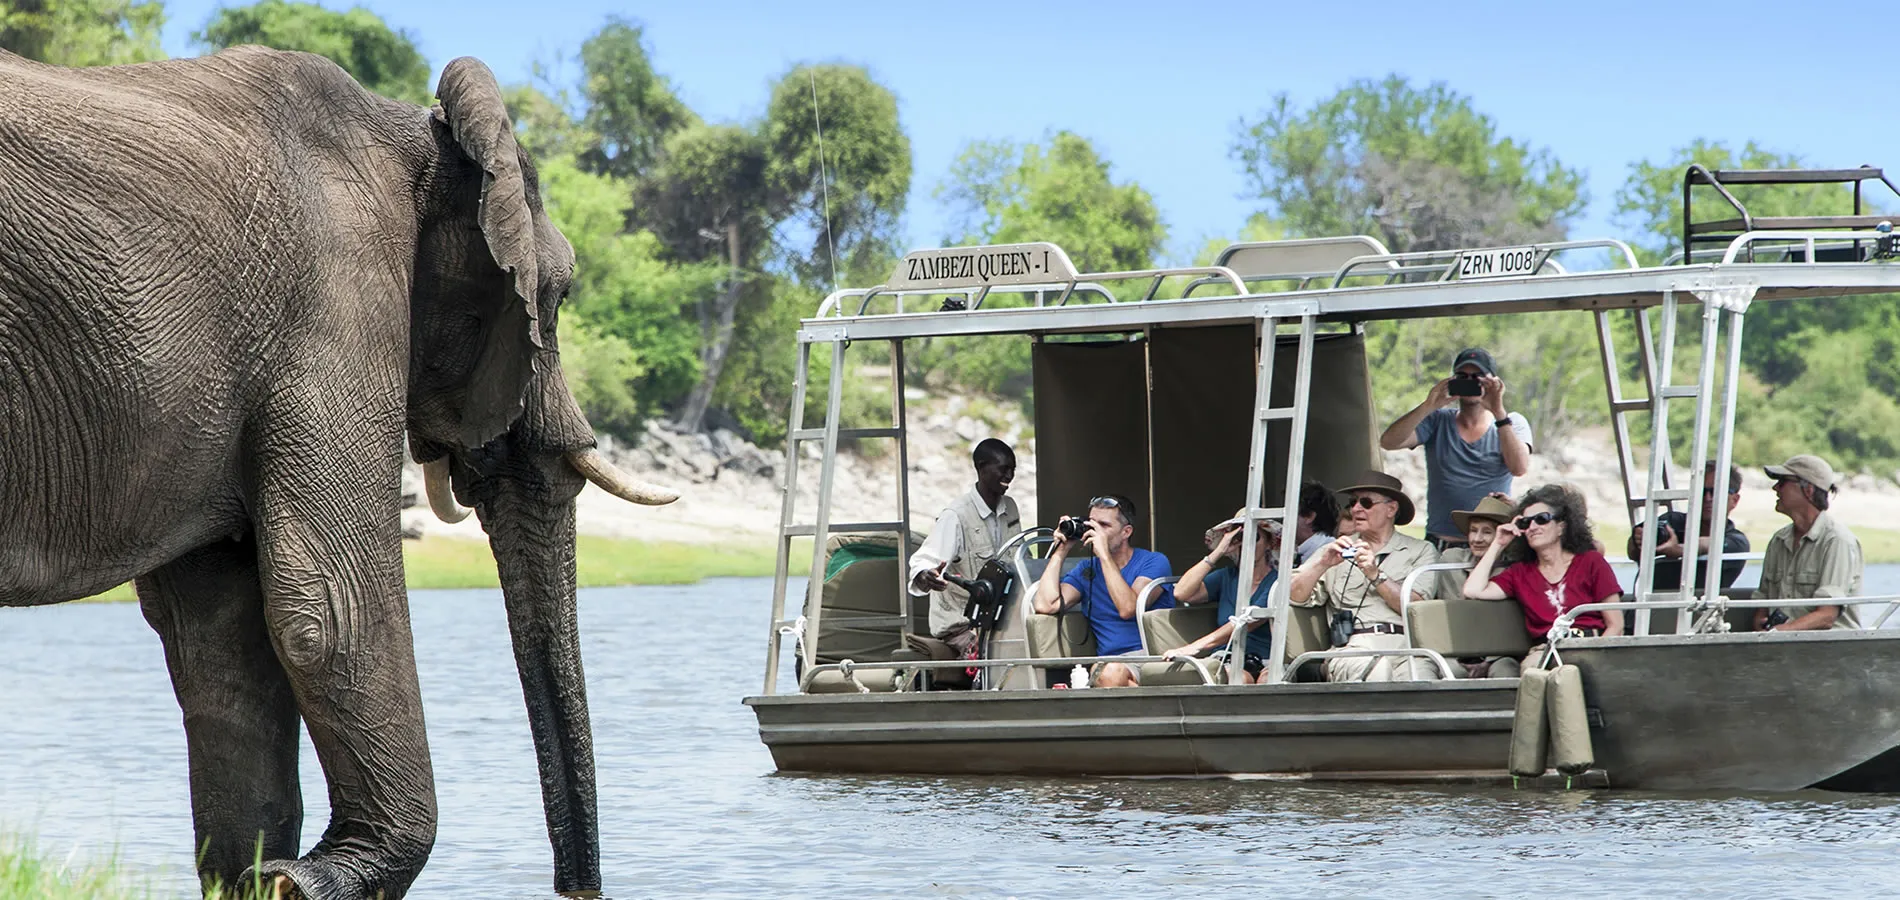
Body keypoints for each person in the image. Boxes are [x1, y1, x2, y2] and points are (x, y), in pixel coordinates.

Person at [1288, 471, 1441, 682]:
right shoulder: (1337, 549)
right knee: (1378, 672)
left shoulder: (1421, 550)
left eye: (1366, 502)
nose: (1356, 509)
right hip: (1354, 646)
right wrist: (1321, 563)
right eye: (1353, 502)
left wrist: (1375, 575)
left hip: (1407, 646)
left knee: (1424, 682)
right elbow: (1294, 595)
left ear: (1391, 509)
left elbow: (1414, 606)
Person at [1379, 347, 1533, 548]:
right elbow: (1389, 442)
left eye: (1478, 377)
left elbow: (1519, 467)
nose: (1469, 382)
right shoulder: (1437, 421)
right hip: (1442, 540)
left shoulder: (1512, 422)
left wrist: (1498, 411)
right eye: (1462, 376)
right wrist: (1429, 405)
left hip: (1493, 542)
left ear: (1494, 382)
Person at [1464, 485, 1625, 668]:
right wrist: (1498, 543)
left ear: (1561, 527)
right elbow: (1472, 590)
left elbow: (1616, 625)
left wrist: (1597, 659)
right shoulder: (1520, 572)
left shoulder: (1591, 561)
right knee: (1531, 670)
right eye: (1525, 522)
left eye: (1541, 519)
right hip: (1546, 651)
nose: (1532, 527)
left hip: (1589, 645)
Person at [1032, 495, 1174, 687]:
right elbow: (1045, 605)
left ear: (1126, 532)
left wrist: (1104, 555)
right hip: (1109, 664)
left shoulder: (1154, 561)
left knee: (1107, 672)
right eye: (1092, 524)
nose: (1095, 531)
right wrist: (1061, 550)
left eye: (1104, 525)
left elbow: (1128, 608)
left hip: (1150, 655)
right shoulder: (1087, 569)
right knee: (1107, 672)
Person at [906, 439, 1022, 657]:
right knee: (1006, 657)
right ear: (980, 467)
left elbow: (1022, 562)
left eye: (1012, 470)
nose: (1009, 476)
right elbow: (922, 563)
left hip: (1003, 624)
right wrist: (926, 576)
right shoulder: (955, 516)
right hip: (963, 628)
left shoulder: (1011, 508)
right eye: (1003, 469)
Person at [1162, 512, 1280, 683]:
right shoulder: (1225, 577)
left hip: (1268, 658)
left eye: (1254, 537)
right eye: (1241, 537)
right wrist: (1218, 551)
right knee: (1238, 678)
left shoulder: (1277, 581)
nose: (1247, 544)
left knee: (1267, 681)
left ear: (1269, 543)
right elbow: (1181, 593)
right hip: (1229, 659)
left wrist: (1195, 647)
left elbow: (1247, 622)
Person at [1755, 454, 1863, 631]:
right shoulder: (1778, 540)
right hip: (1782, 649)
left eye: (1782, 482)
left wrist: (1779, 632)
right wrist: (1761, 623)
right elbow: (1762, 601)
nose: (1775, 488)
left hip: (1826, 652)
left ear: (1808, 490)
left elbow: (1827, 615)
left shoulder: (1837, 541)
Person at [1628, 461, 1749, 593]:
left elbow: (1710, 543)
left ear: (1734, 500)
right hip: (1652, 608)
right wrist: (1639, 539)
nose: (1707, 498)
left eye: (1716, 492)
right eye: (1701, 492)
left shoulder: (1737, 542)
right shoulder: (1671, 522)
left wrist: (1679, 550)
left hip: (1704, 611)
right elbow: (1632, 550)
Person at [1438, 493, 1515, 601]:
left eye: (1487, 532)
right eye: (1473, 530)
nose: (1477, 539)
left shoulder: (1514, 568)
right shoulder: (1452, 559)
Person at [1294, 480, 1341, 565]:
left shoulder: (1332, 553)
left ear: (1309, 516)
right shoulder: (1296, 552)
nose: (1284, 520)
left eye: (1290, 513)